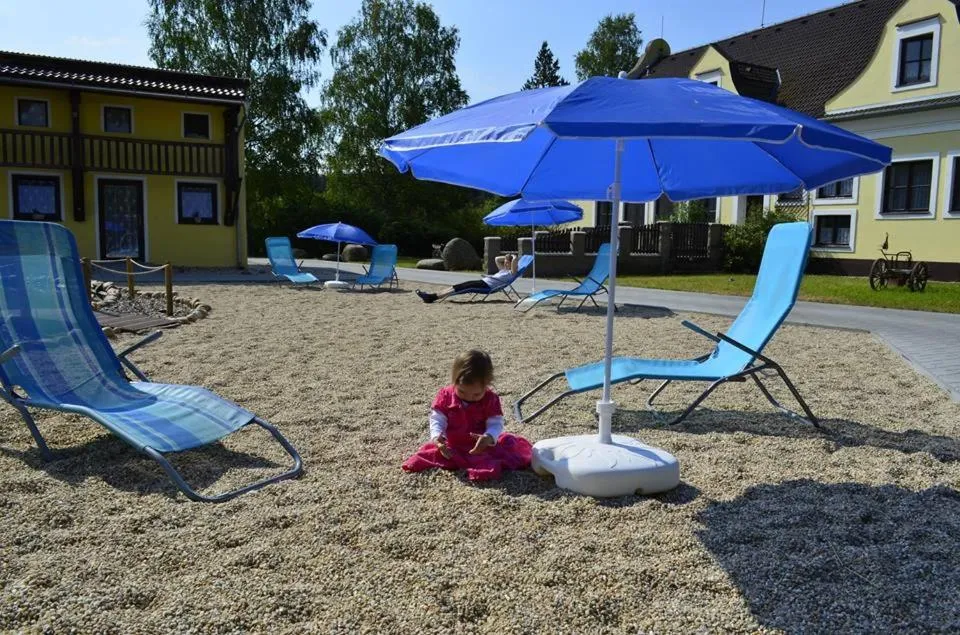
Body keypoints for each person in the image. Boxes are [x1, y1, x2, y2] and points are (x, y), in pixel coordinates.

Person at [402, 349, 533, 481]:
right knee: (425, 457)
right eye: (462, 392)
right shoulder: (446, 396)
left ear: (487, 385)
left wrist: (488, 437)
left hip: (480, 446)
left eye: (476, 394)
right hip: (452, 444)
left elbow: (496, 422)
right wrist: (438, 438)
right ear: (454, 382)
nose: (469, 397)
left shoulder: (490, 399)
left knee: (487, 467)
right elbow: (437, 418)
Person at [415, 253, 519, 303]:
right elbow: (497, 259)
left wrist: (514, 257)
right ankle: (432, 296)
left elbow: (514, 263)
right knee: (458, 286)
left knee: (461, 288)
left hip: (487, 286)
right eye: (505, 261)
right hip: (483, 282)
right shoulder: (503, 270)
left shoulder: (512, 272)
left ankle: (432, 298)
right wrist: (506, 256)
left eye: (507, 262)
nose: (505, 263)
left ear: (512, 263)